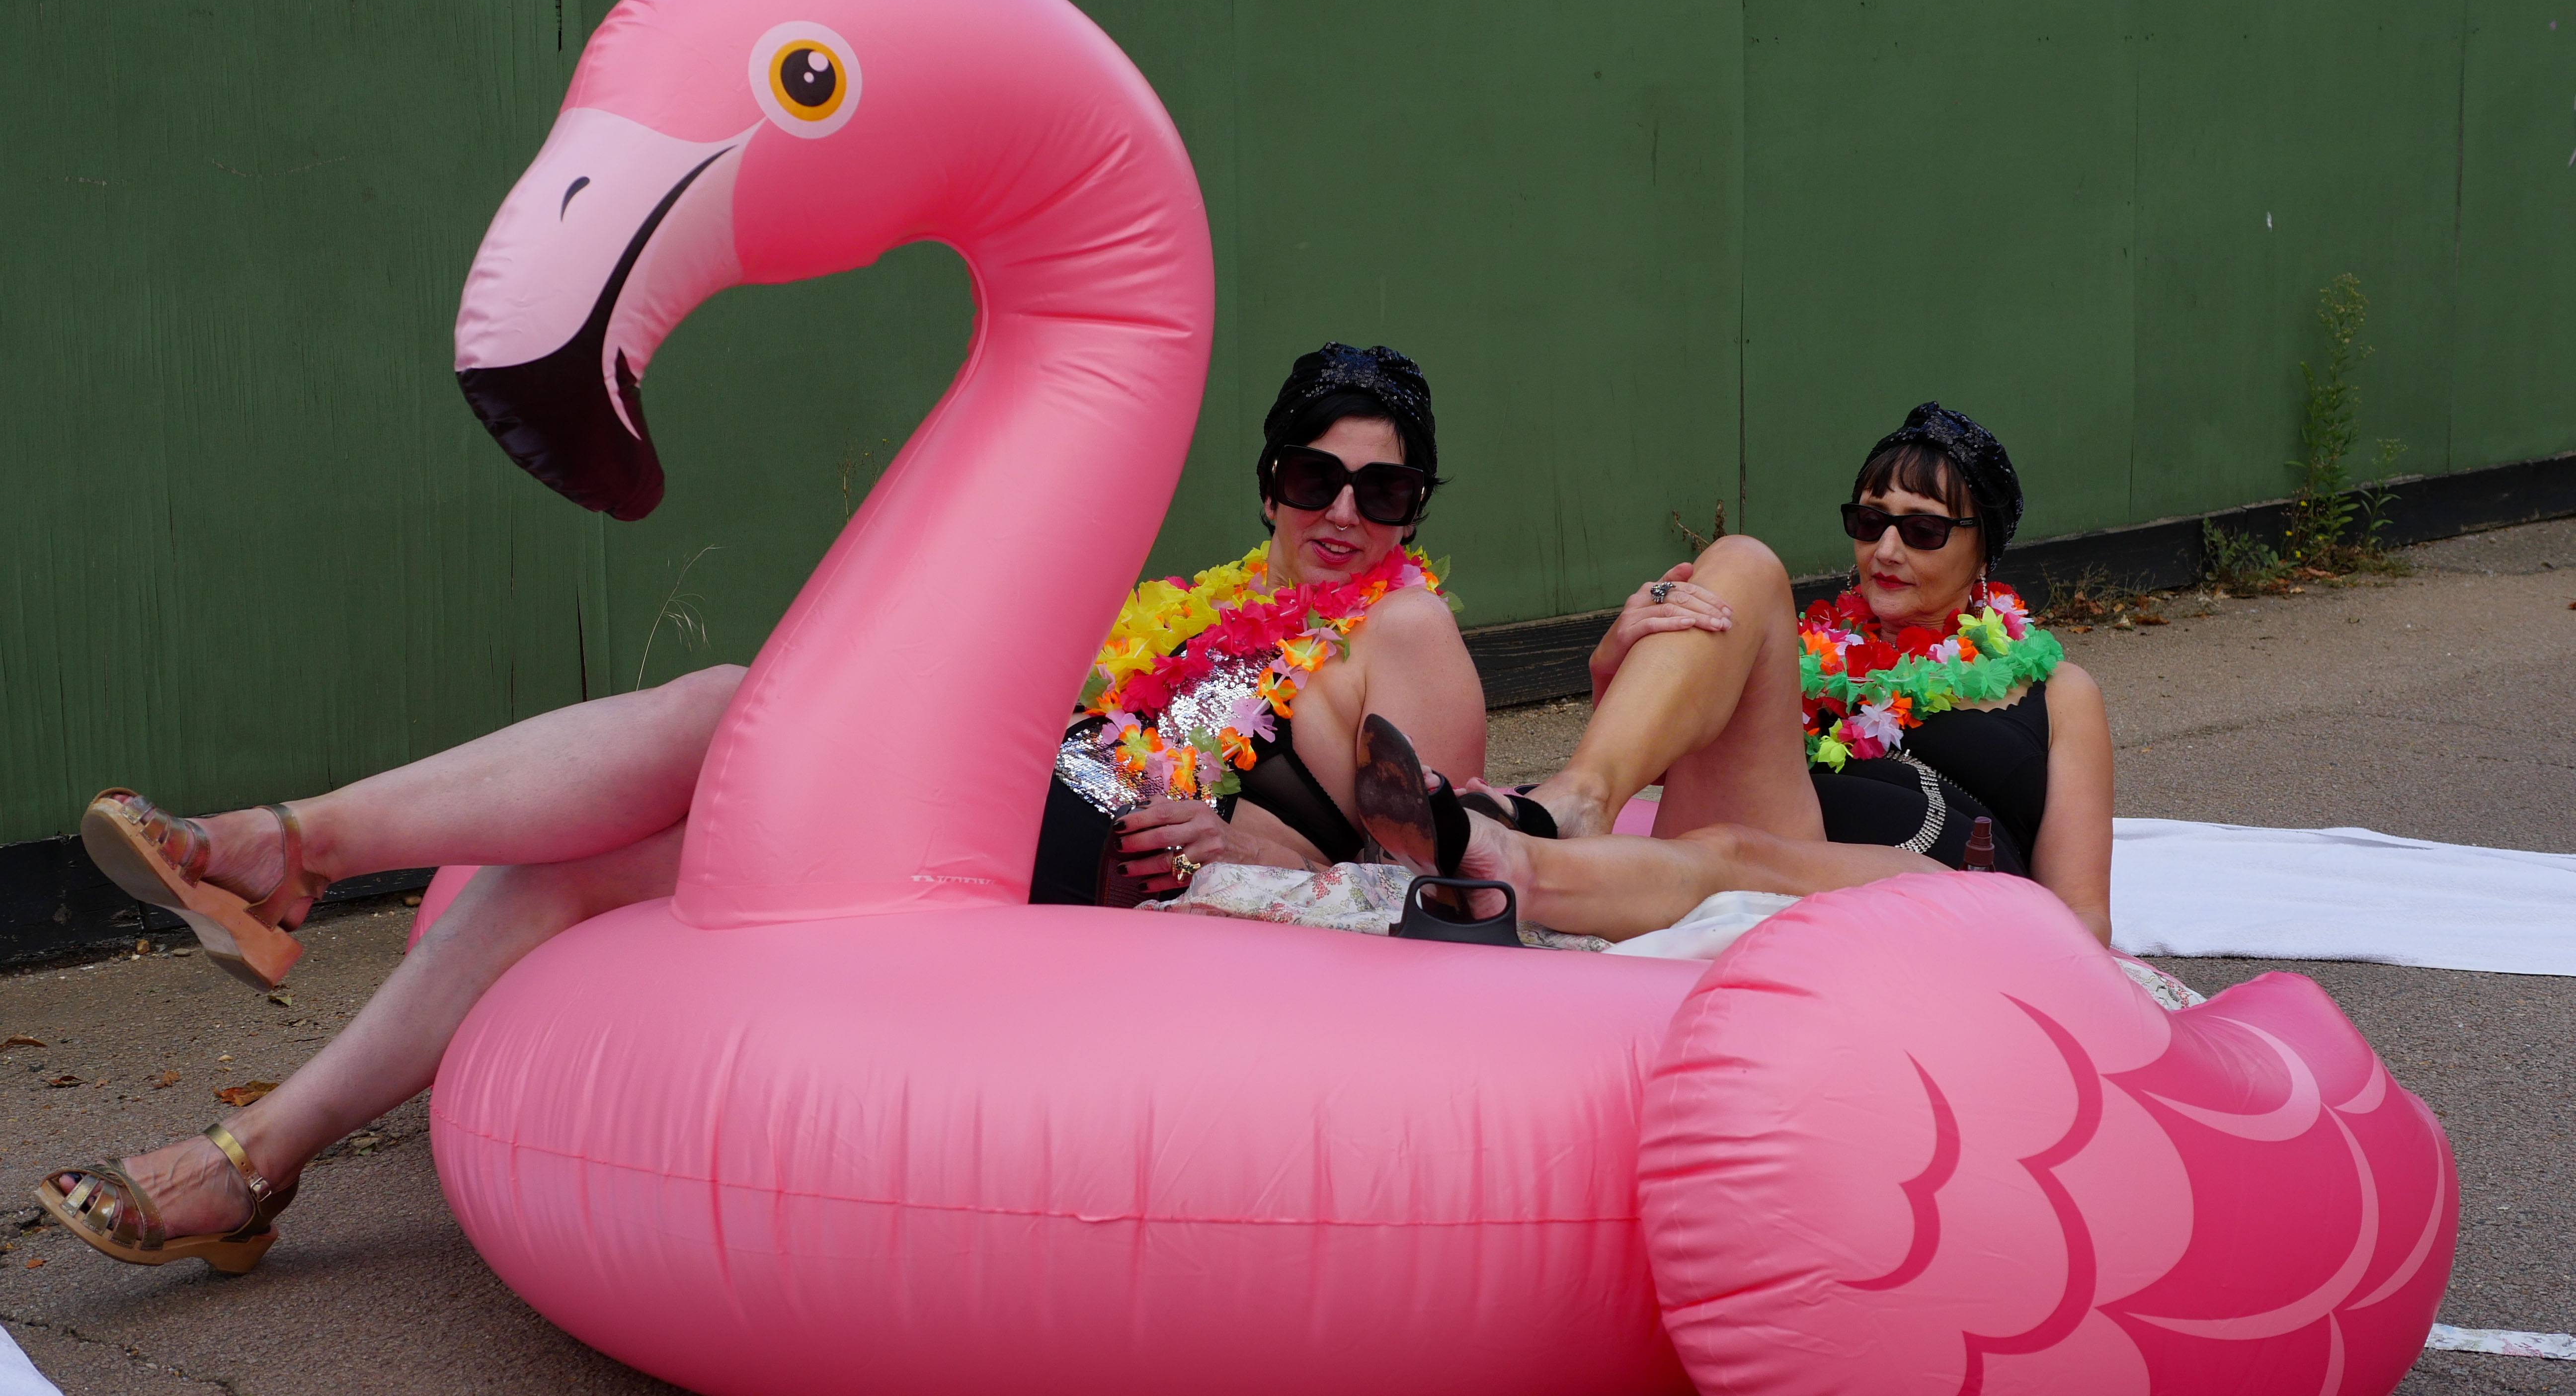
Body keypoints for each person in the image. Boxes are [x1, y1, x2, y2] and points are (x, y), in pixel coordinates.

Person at [36, 342, 1487, 1273]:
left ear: (1416, 507)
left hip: (1086, 852)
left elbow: (1433, 855)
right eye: (1315, 475)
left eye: (1384, 487)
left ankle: (291, 853)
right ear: (1270, 480)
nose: (1344, 511)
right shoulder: (1195, 600)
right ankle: (255, 1163)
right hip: (1021, 787)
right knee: (574, 871)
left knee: (742, 693)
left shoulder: (1401, 626)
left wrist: (1254, 843)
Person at [1361, 403, 2112, 946]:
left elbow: (2081, 920)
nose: (1886, 549)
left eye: (1921, 530)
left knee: (1732, 856)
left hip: (1940, 896)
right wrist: (1614, 661)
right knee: (1746, 562)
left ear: (1984, 553)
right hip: (1778, 829)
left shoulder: (2061, 694)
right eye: (1868, 521)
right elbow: (1686, 768)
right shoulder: (1812, 651)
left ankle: (1516, 874)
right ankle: (1574, 804)